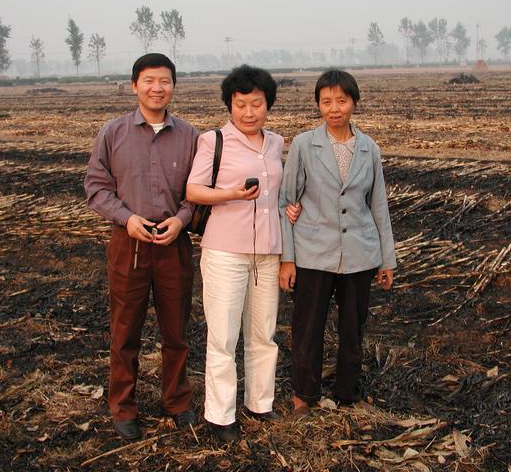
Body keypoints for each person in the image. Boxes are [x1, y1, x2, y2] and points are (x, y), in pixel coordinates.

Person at [84, 53, 198, 440]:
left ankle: (177, 401)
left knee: (176, 331)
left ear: (173, 87)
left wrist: (181, 219)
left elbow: (197, 194)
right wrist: (126, 218)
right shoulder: (112, 133)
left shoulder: (190, 136)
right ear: (134, 85)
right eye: (149, 80)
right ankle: (123, 406)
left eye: (164, 81)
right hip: (127, 243)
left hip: (173, 244)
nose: (157, 88)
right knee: (125, 330)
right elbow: (96, 187)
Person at [186, 65, 299, 442]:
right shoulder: (214, 140)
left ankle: (259, 404)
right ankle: (219, 417)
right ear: (229, 106)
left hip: (267, 251)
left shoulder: (276, 142)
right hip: (225, 251)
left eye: (257, 104)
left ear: (269, 104)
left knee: (264, 333)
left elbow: (281, 196)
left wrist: (290, 216)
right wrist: (231, 194)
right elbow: (194, 190)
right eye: (240, 104)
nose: (249, 112)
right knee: (223, 335)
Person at [279, 69, 396, 416]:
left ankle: (347, 391)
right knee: (307, 328)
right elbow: (285, 202)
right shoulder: (303, 145)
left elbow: (378, 205)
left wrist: (387, 260)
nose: (334, 108)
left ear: (354, 103)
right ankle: (304, 392)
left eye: (341, 101)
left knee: (352, 329)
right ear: (318, 105)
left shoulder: (368, 148)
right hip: (313, 253)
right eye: (326, 101)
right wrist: (287, 258)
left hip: (360, 255)